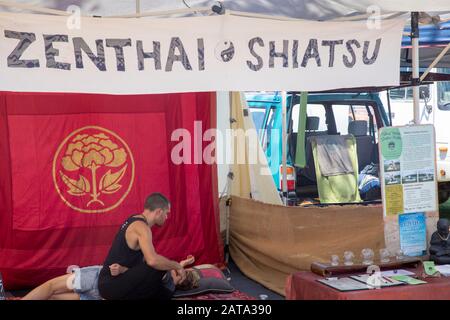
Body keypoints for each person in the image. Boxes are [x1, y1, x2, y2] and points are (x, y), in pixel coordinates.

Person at [97, 193, 187, 300]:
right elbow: (152, 261)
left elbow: (136, 263)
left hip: (115, 281)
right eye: (166, 213)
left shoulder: (134, 219)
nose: (166, 217)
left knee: (160, 276)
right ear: (159, 212)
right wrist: (177, 266)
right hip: (110, 285)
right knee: (156, 267)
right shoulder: (142, 227)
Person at [21, 255, 197, 300]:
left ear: (180, 277)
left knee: (51, 287)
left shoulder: (163, 274)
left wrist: (179, 265)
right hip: (104, 296)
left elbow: (156, 264)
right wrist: (182, 264)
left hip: (101, 281)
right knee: (52, 296)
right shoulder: (168, 291)